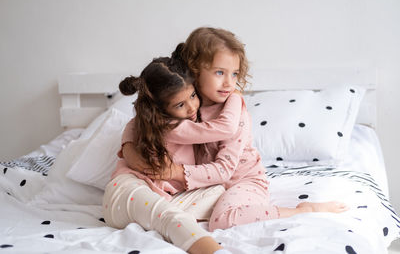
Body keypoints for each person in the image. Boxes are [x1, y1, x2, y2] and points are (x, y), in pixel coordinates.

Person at [132, 27, 349, 231]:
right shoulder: (187, 104)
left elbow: (225, 170)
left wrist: (178, 172)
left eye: (234, 74)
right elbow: (144, 121)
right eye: (219, 73)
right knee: (155, 211)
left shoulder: (234, 114)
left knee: (222, 220)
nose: (229, 83)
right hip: (209, 187)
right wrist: (129, 148)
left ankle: (301, 210)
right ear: (194, 71)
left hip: (244, 181)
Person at [103, 51, 243, 254]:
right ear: (158, 109)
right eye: (180, 104)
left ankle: (155, 219)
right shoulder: (173, 126)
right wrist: (236, 97)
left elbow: (132, 126)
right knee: (170, 218)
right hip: (126, 191)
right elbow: (225, 128)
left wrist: (127, 146)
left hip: (163, 198)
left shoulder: (147, 124)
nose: (191, 108)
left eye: (193, 95)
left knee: (219, 191)